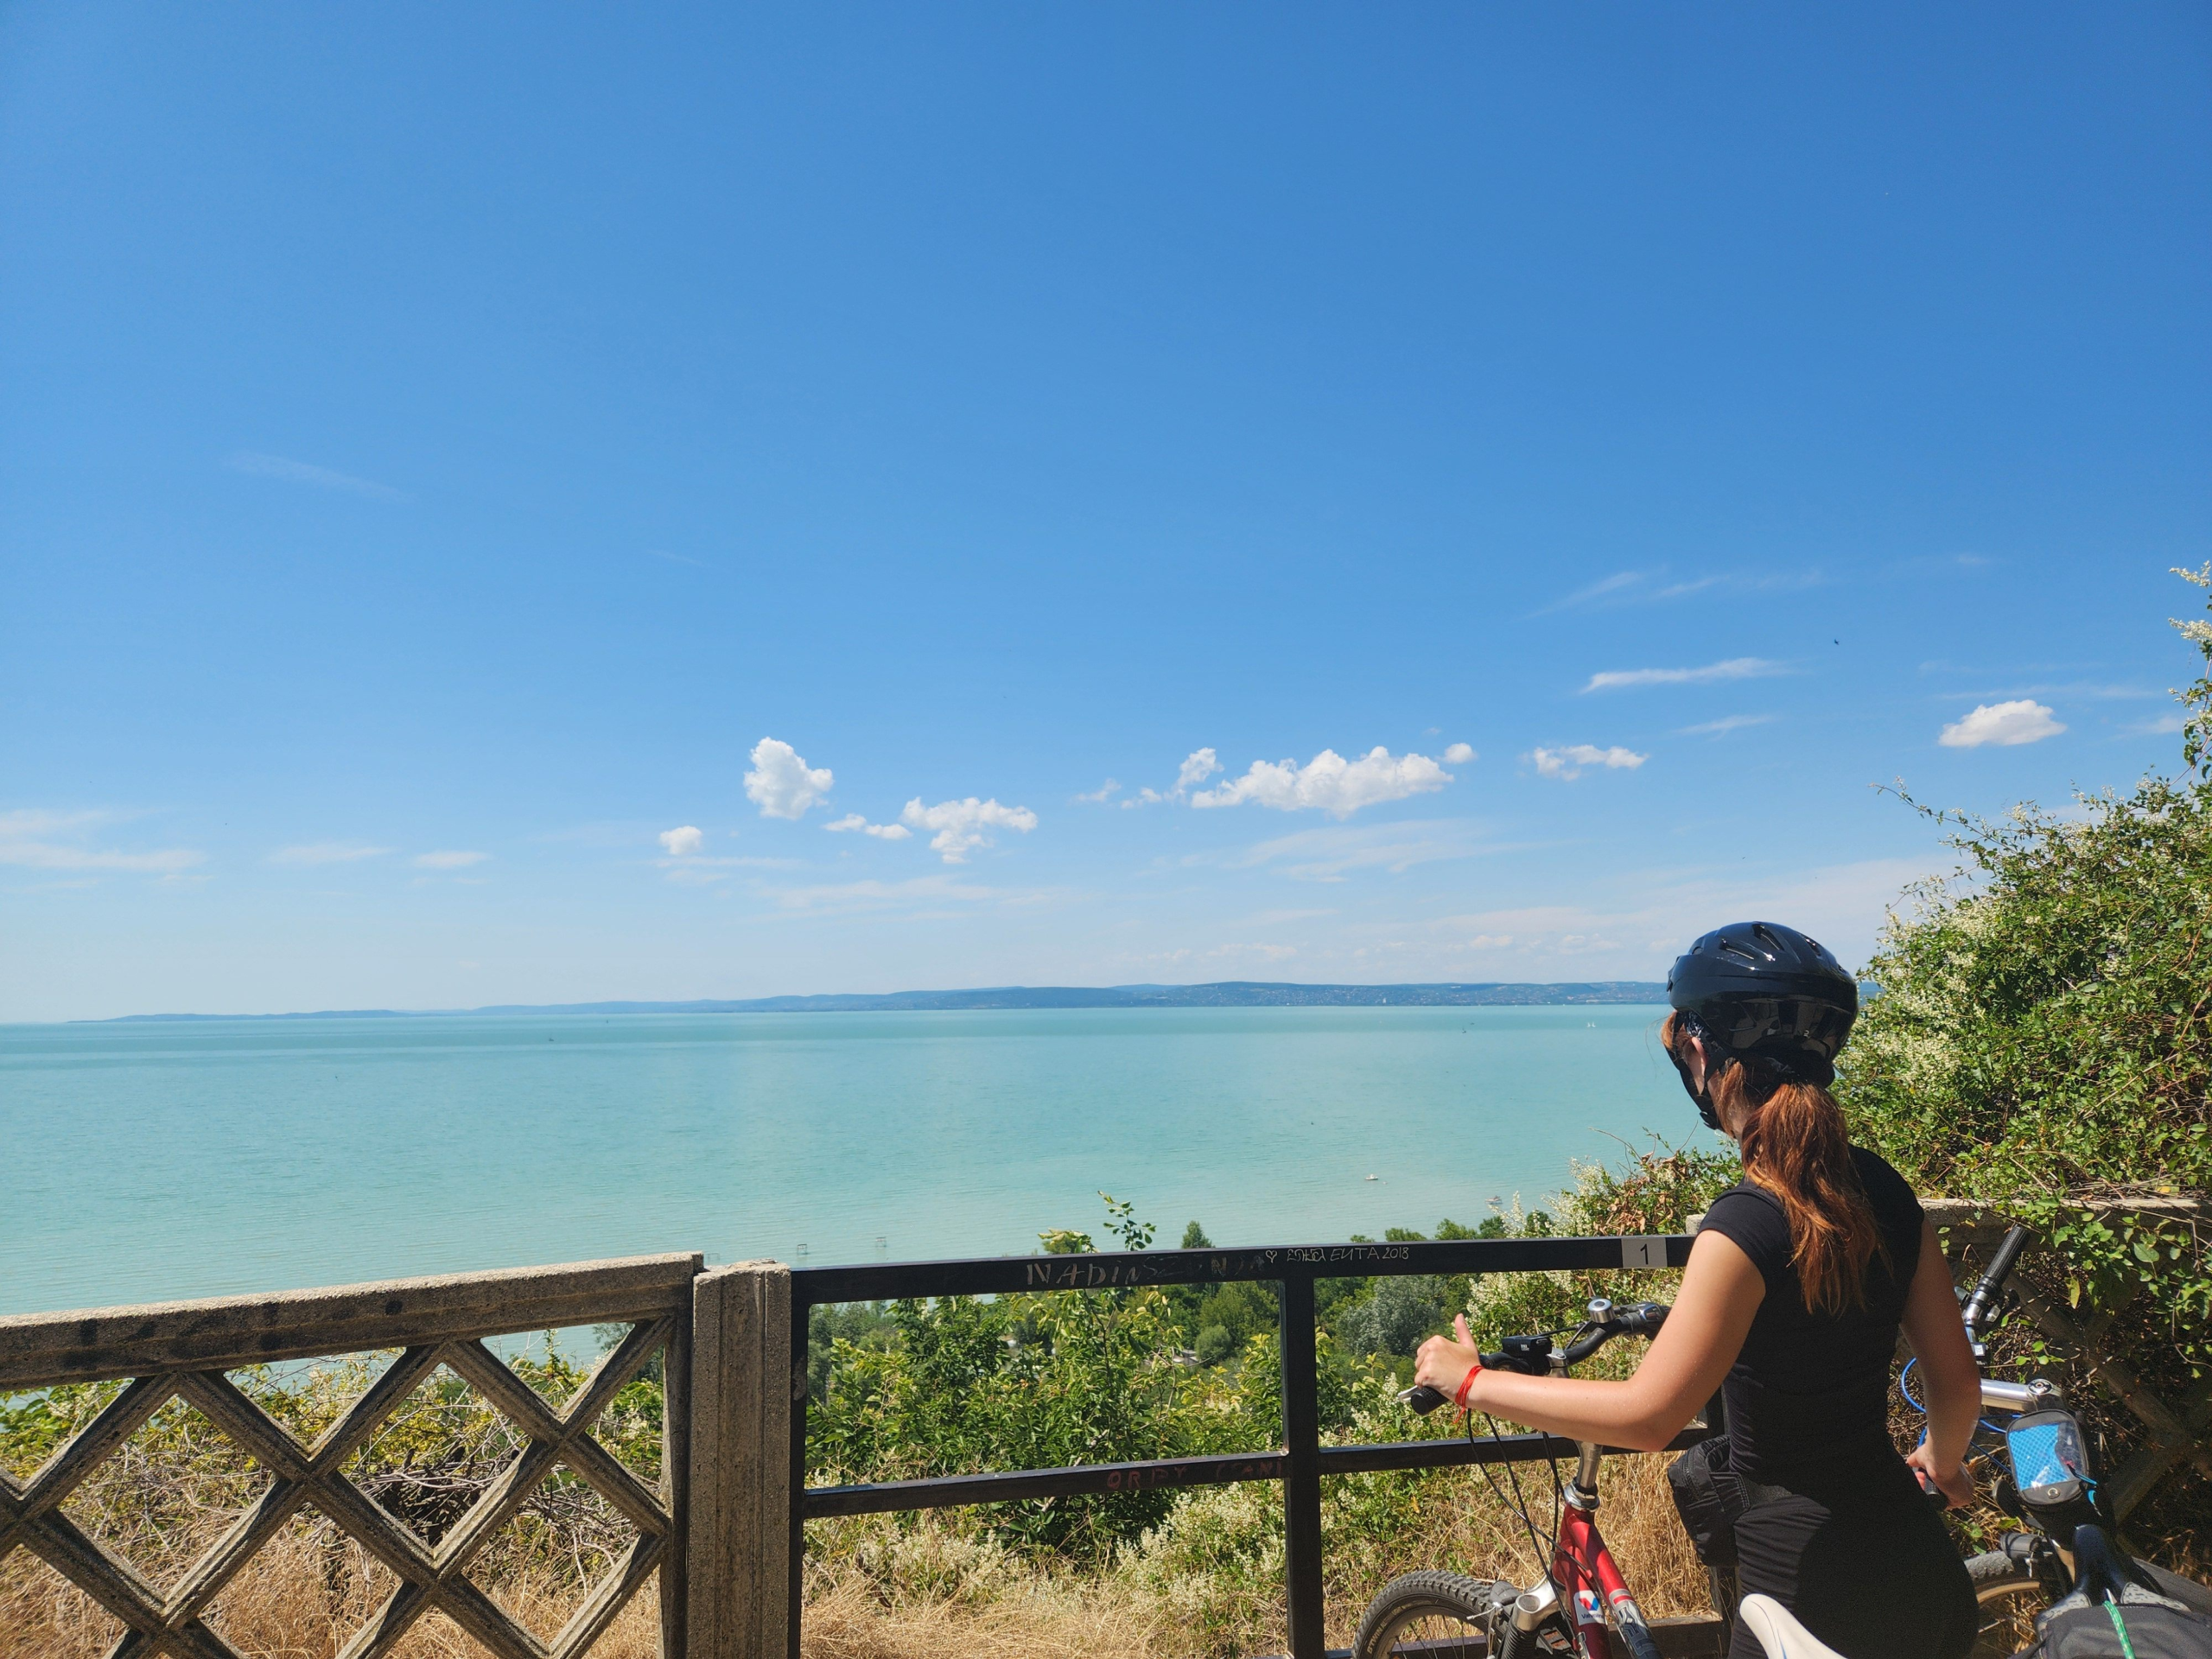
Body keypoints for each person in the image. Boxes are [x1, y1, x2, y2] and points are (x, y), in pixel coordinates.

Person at [1414, 920, 1981, 1659]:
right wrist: (1941, 1459)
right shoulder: (1880, 1189)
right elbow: (1958, 1383)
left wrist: (1472, 1384)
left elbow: (1649, 1417)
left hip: (1810, 1601)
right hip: (1924, 1577)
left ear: (1704, 1055)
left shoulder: (1746, 1222)